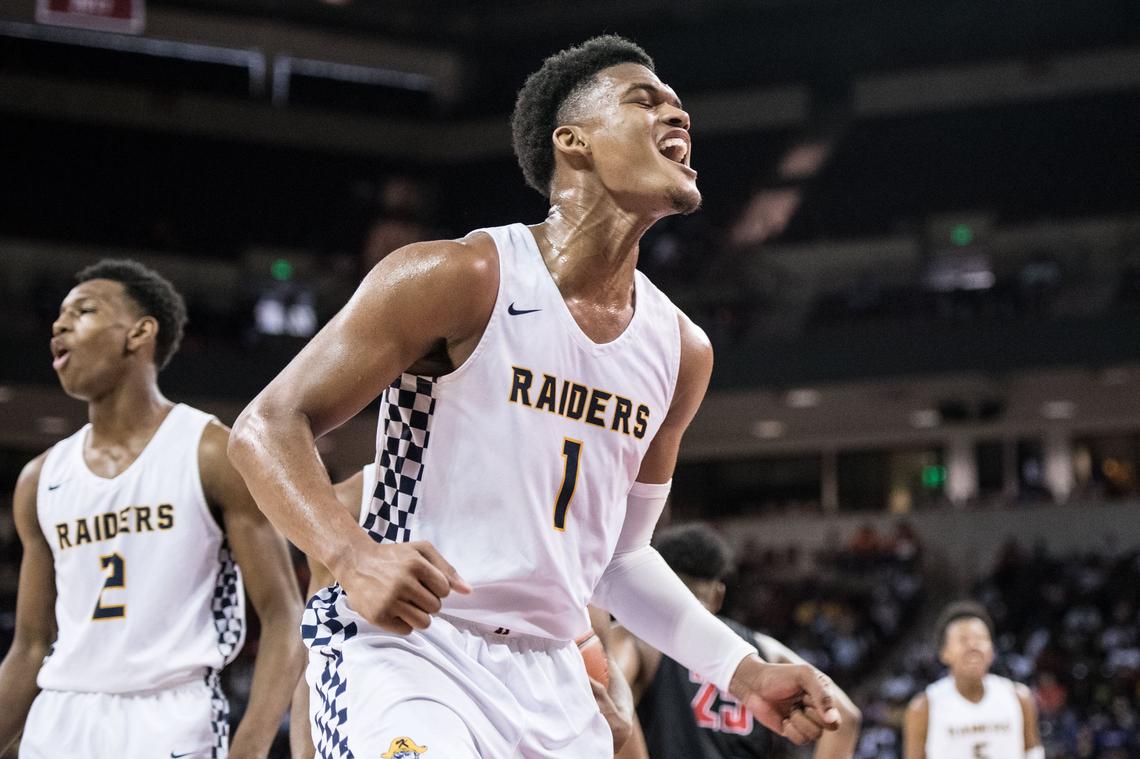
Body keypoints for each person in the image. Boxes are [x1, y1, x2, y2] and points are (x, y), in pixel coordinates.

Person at [228, 35, 841, 758]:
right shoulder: (456, 277)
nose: (677, 118)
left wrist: (741, 670)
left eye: (679, 108)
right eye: (646, 102)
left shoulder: (682, 351)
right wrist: (353, 555)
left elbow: (620, 557)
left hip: (553, 674)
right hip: (412, 652)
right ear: (573, 142)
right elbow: (266, 424)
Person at [0, 260, 306, 758]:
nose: (59, 325)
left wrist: (249, 745)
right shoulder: (40, 479)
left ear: (139, 333)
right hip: (60, 718)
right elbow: (30, 645)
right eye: (59, 316)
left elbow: (283, 614)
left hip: (171, 717)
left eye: (83, 311)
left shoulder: (207, 453)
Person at [291, 464, 638, 756]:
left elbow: (600, 648)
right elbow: (319, 669)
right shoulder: (366, 502)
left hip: (546, 713)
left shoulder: (566, 508)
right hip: (417, 690)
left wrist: (621, 713)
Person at [612, 523, 861, 759]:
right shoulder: (764, 648)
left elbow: (607, 696)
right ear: (718, 595)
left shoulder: (637, 638)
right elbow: (845, 718)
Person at [904, 601, 1042, 759]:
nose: (973, 646)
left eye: (980, 638)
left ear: (992, 650)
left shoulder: (1019, 698)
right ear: (944, 653)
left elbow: (1033, 753)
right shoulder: (924, 707)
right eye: (963, 640)